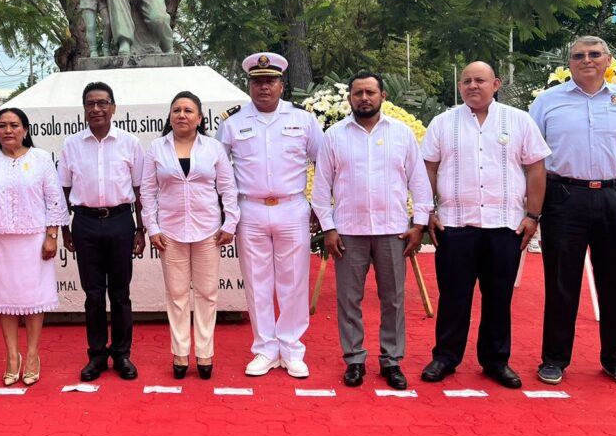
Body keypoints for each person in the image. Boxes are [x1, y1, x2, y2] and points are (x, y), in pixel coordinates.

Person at [420, 62, 549, 389]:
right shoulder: (443, 123)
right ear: (460, 86)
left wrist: (533, 216)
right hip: (455, 225)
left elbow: (535, 169)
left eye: (480, 80)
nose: (472, 86)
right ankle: (446, 357)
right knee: (453, 296)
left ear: (496, 83)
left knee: (498, 297)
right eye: (466, 81)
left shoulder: (519, 121)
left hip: (505, 226)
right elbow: (428, 170)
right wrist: (426, 211)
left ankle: (495, 361)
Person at [530, 36, 616, 387]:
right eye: (578, 56)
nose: (587, 60)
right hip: (564, 197)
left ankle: (614, 357)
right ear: (570, 62)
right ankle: (554, 358)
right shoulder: (548, 102)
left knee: (615, 281)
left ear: (608, 59)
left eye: (594, 54)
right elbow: (532, 152)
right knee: (561, 281)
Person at [311, 71, 433, 390]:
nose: (364, 98)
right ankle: (354, 359)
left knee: (392, 298)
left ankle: (391, 360)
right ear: (349, 98)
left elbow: (418, 181)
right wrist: (329, 228)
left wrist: (419, 223)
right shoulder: (335, 136)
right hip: (348, 231)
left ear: (382, 97)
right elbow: (322, 187)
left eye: (370, 92)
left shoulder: (402, 134)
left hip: (393, 230)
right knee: (349, 298)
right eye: (358, 93)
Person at [217, 52, 323, 378]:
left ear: (281, 85)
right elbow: (220, 171)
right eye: (258, 81)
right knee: (257, 282)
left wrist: (319, 207)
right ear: (249, 85)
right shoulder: (233, 122)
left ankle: (291, 349)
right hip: (250, 208)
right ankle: (264, 348)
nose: (264, 87)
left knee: (293, 281)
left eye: (271, 81)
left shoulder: (303, 119)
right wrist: (227, 214)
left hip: (292, 207)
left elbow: (325, 165)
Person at [0, 108, 68, 386]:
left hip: (34, 241)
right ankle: (11, 356)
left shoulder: (41, 159)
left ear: (26, 130)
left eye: (14, 125)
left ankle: (32, 355)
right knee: (4, 302)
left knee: (33, 301)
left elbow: (54, 199)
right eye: (3, 126)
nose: (8, 130)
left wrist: (51, 236)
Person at [141, 91, 239, 380]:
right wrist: (152, 227)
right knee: (177, 295)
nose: (181, 115)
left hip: (208, 231)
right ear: (169, 116)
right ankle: (180, 353)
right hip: (169, 233)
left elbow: (228, 189)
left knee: (207, 294)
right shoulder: (157, 149)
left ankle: (205, 353)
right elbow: (147, 192)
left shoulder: (213, 148)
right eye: (176, 110)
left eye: (188, 110)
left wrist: (230, 223)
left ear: (200, 118)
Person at [58, 81, 146, 381]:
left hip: (121, 222)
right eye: (91, 104)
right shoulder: (71, 145)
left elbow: (139, 189)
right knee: (93, 295)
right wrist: (65, 230)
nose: (96, 109)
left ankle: (122, 354)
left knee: (120, 293)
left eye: (102, 103)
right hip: (84, 224)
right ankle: (96, 355)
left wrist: (140, 230)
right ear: (84, 109)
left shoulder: (129, 143)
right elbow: (63, 190)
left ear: (113, 107)